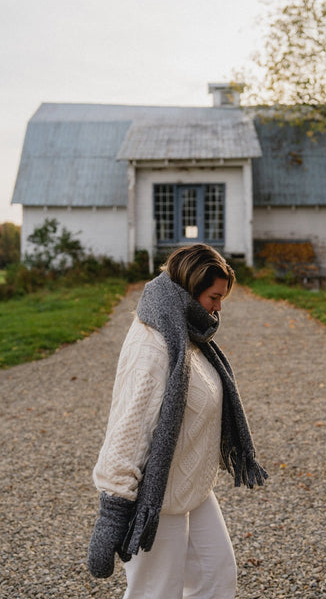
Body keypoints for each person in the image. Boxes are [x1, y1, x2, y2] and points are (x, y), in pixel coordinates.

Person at [87, 243, 268, 599]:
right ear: (191, 287)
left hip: (192, 489)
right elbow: (128, 429)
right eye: (214, 297)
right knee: (156, 593)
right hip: (158, 501)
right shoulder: (154, 344)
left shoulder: (185, 329)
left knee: (216, 577)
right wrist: (112, 514)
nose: (218, 309)